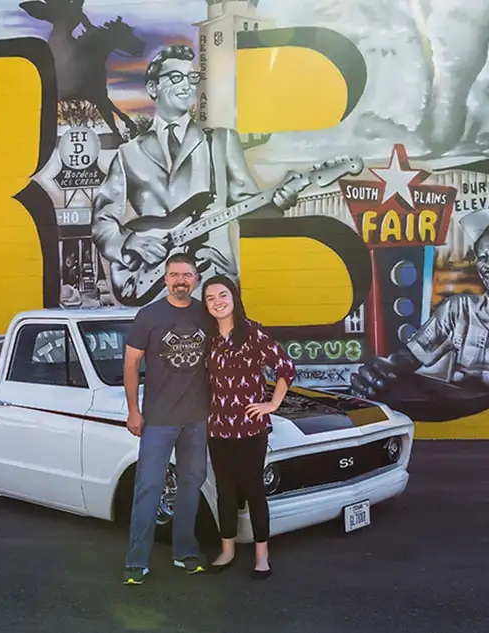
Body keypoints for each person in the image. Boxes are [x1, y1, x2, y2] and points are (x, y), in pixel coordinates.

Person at [91, 44, 304, 306]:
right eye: (176, 78)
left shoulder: (221, 142)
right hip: (151, 288)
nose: (187, 86)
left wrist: (277, 202)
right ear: (153, 88)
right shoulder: (128, 154)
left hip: (211, 283)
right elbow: (102, 221)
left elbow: (247, 206)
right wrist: (130, 242)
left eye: (191, 78)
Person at [351, 208, 489, 403]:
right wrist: (380, 371)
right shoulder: (459, 310)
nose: (487, 265)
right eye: (482, 257)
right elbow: (409, 358)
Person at [121, 253, 212, 585]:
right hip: (158, 419)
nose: (180, 281)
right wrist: (133, 410)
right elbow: (131, 364)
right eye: (174, 275)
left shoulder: (207, 313)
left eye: (187, 275)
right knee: (148, 487)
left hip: (197, 418)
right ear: (164, 279)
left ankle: (185, 552)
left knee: (190, 486)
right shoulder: (149, 315)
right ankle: (136, 561)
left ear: (197, 280)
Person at [201, 274, 295, 580]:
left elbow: (286, 368)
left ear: (234, 297)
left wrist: (272, 404)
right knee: (225, 492)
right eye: (210, 298)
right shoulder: (207, 337)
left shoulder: (252, 332)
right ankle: (227, 550)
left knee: (254, 490)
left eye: (223, 295)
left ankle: (261, 556)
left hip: (251, 430)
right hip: (217, 429)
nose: (217, 302)